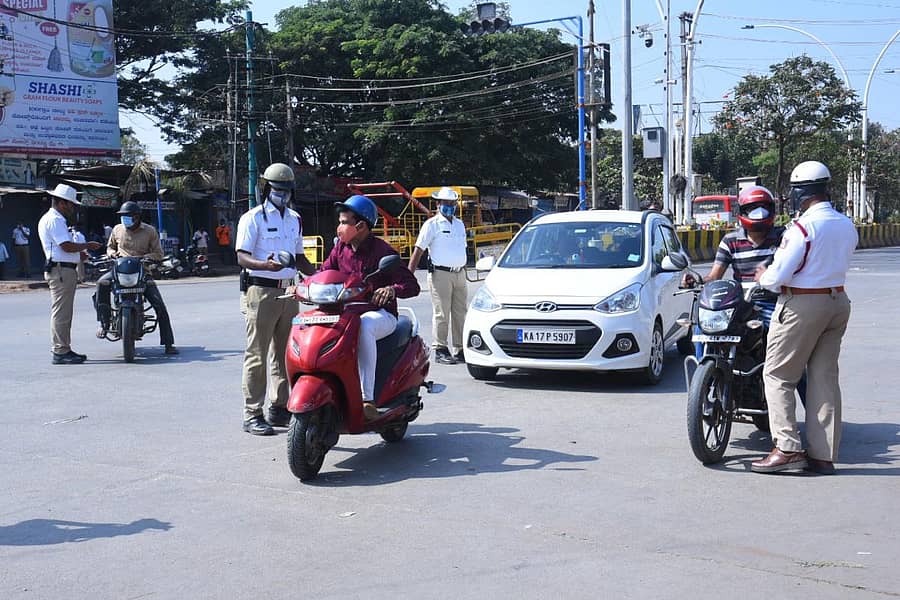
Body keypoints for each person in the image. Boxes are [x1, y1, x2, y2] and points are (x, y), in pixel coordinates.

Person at [751, 161, 857, 475]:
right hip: (837, 301)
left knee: (778, 375)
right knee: (824, 378)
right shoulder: (845, 224)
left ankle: (786, 448)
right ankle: (823, 455)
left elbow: (777, 276)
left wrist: (762, 277)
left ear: (802, 193)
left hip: (803, 304)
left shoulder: (802, 228)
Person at [320, 194, 420, 420]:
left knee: (364, 325)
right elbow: (323, 273)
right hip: (345, 313)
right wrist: (302, 287)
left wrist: (392, 290)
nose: (340, 227)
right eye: (340, 221)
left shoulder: (383, 251)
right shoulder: (340, 250)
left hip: (380, 316)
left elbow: (411, 285)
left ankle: (367, 398)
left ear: (361, 225)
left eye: (345, 222)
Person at [236, 163, 316, 435]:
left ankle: (279, 407)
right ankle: (252, 413)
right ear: (266, 188)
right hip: (261, 290)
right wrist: (262, 265)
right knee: (257, 353)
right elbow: (242, 256)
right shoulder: (254, 218)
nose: (281, 193)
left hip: (289, 291)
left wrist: (321, 276)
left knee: (285, 353)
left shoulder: (294, 218)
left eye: (286, 189)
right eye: (276, 188)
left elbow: (300, 257)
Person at [683, 185, 785, 356]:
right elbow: (714, 276)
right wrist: (697, 281)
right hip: (739, 304)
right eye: (752, 209)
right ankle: (703, 366)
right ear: (742, 212)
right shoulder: (730, 241)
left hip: (771, 302)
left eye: (763, 208)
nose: (759, 213)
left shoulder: (783, 237)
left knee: (782, 343)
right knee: (703, 329)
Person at [95, 201, 179, 355]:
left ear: (137, 217)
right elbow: (110, 247)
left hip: (142, 273)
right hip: (119, 272)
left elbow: (158, 253)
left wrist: (144, 257)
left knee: (159, 305)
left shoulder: (149, 231)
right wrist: (111, 254)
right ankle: (104, 322)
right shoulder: (117, 229)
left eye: (128, 216)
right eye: (123, 216)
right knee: (101, 283)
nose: (125, 219)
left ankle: (168, 343)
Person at [37, 184, 102, 364]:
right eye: (71, 204)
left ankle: (63, 348)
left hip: (62, 269)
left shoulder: (52, 219)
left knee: (63, 312)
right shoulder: (55, 219)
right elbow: (65, 245)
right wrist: (87, 245)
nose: (73, 208)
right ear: (62, 203)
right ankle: (60, 351)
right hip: (61, 271)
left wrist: (79, 254)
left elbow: (63, 247)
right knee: (61, 313)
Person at [408, 186, 468, 365]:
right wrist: (409, 275)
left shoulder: (459, 224)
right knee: (442, 313)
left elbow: (461, 248)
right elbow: (419, 250)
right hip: (440, 274)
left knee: (460, 313)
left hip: (459, 273)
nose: (450, 206)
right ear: (438, 204)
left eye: (452, 203)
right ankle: (440, 348)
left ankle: (459, 348)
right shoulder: (432, 225)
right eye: (446, 203)